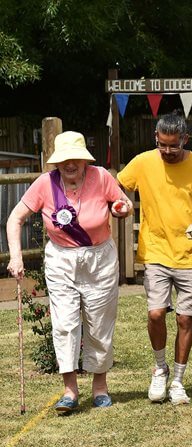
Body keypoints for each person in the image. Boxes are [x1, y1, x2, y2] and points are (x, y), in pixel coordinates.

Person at [6, 131, 132, 413]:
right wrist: (15, 256)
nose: (70, 164)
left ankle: (100, 386)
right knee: (64, 324)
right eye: (64, 159)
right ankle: (70, 390)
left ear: (84, 160)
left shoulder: (101, 177)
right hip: (61, 260)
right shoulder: (45, 183)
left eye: (75, 158)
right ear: (56, 162)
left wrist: (122, 209)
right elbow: (15, 218)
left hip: (100, 259)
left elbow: (124, 205)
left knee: (99, 324)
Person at [117, 111, 192, 405]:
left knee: (185, 318)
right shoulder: (142, 162)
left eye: (174, 145)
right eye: (162, 144)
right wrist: (120, 204)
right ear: (156, 138)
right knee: (156, 313)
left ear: (185, 139)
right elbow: (117, 187)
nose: (168, 150)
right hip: (156, 251)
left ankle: (178, 380)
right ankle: (159, 369)